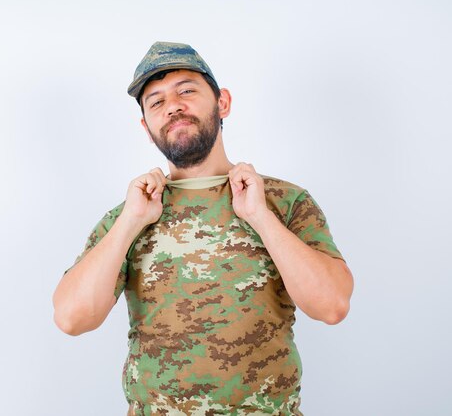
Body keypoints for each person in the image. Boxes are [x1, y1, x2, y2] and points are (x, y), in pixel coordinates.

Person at [53, 41, 354, 415]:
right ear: (147, 127)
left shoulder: (282, 201)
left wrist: (260, 217)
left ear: (222, 102)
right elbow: (72, 317)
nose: (173, 106)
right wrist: (130, 223)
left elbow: (332, 306)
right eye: (157, 101)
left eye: (187, 91)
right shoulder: (130, 214)